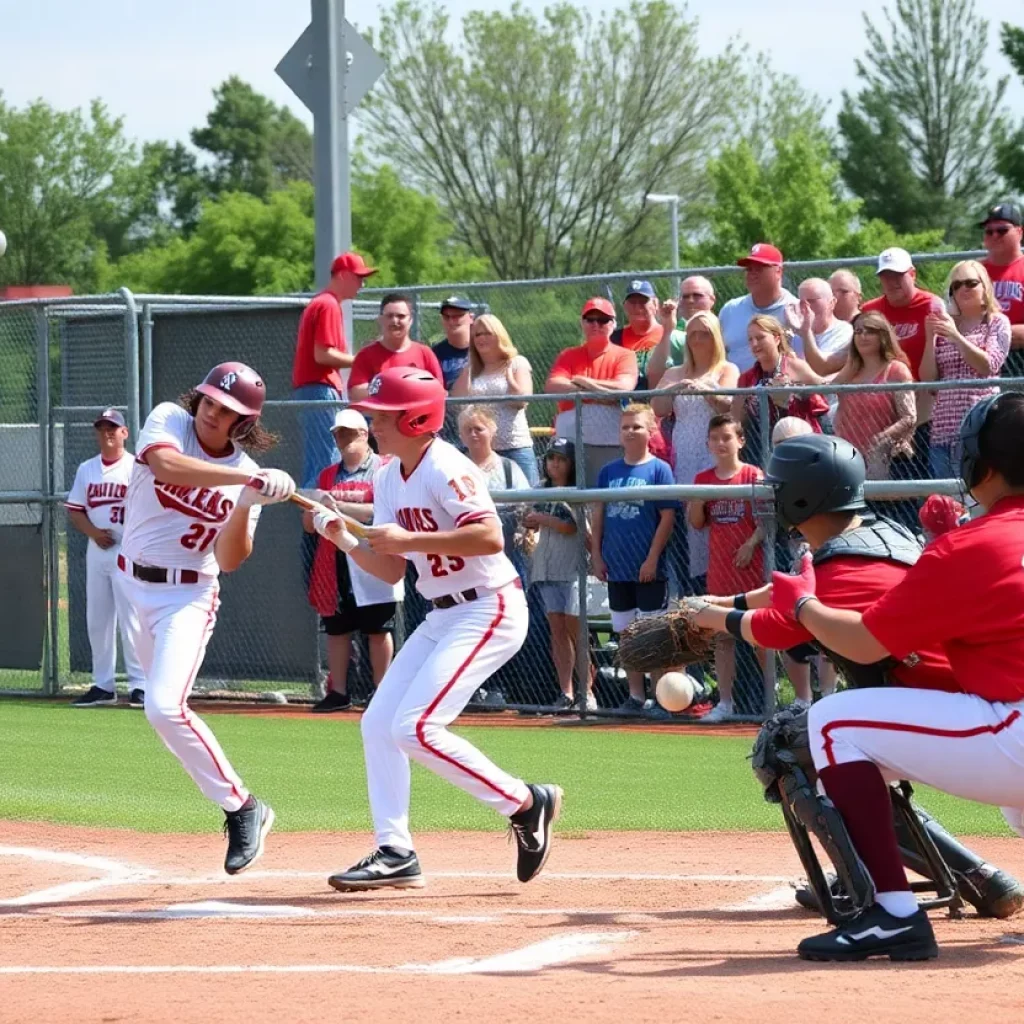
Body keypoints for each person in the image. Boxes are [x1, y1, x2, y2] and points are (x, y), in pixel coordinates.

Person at [688, 431, 1024, 941]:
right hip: (976, 706)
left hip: (985, 714)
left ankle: (891, 906)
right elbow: (793, 588)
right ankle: (979, 877)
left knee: (808, 736)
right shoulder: (880, 538)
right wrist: (719, 604)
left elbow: (790, 620)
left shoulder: (850, 563)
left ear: (799, 495)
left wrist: (709, 618)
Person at [313, 367, 562, 891]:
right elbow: (388, 569)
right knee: (379, 723)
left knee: (416, 728)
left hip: (489, 606)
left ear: (416, 417)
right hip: (443, 613)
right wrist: (344, 538)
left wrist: (405, 539)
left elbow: (491, 536)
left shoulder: (445, 465)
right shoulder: (386, 474)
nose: (374, 421)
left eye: (383, 414)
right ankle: (396, 850)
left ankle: (524, 802)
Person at [115, 362, 296, 874]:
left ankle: (243, 807)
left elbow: (232, 558)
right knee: (162, 713)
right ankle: (240, 805)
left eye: (227, 411)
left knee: (163, 707)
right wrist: (246, 476)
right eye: (210, 401)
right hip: (131, 586)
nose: (212, 413)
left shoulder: (243, 479)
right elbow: (167, 467)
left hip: (187, 598)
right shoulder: (170, 419)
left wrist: (246, 502)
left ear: (244, 423)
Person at [303, 409, 401, 713]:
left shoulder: (384, 469)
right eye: (337, 434)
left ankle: (382, 691)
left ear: (363, 434)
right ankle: (339, 692)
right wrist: (319, 511)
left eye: (348, 433)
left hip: (373, 554)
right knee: (337, 627)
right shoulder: (328, 474)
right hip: (335, 559)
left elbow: (380, 511)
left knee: (377, 627)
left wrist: (337, 507)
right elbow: (309, 521)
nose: (342, 439)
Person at [590, 404, 675, 714]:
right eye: (625, 426)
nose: (630, 431)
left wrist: (652, 558)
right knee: (626, 634)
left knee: (651, 632)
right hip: (617, 567)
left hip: (647, 567)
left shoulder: (659, 469)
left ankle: (658, 697)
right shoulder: (608, 471)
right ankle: (635, 696)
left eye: (637, 426)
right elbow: (598, 515)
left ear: (650, 431)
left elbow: (666, 518)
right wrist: (597, 554)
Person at [651, 311, 738, 596]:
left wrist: (705, 391)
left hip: (713, 450)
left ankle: (715, 584)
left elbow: (728, 406)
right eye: (692, 334)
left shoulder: (726, 369)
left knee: (713, 516)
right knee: (686, 520)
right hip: (684, 450)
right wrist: (676, 387)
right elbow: (659, 408)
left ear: (715, 337)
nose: (698, 339)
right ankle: (690, 592)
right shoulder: (675, 372)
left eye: (704, 333)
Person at [65, 408, 146, 708]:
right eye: (102, 427)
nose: (108, 432)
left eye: (113, 427)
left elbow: (151, 507)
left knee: (132, 619)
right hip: (97, 552)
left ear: (125, 433)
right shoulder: (87, 469)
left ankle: (140, 685)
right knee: (97, 620)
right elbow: (75, 509)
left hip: (129, 551)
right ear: (96, 433)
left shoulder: (137, 467)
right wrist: (94, 532)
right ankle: (103, 685)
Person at [689, 415, 764, 723]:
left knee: (760, 635)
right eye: (715, 437)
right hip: (719, 569)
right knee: (723, 637)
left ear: (740, 441)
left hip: (751, 571)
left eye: (727, 437)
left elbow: (765, 522)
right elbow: (697, 523)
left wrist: (750, 544)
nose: (721, 443)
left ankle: (770, 700)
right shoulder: (703, 479)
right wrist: (696, 499)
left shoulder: (752, 474)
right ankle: (726, 702)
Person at [292, 251, 377, 486]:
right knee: (326, 463)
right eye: (358, 277)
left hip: (313, 390)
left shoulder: (322, 302)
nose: (362, 284)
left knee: (318, 460)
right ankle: (315, 520)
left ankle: (313, 519)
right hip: (319, 389)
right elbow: (323, 354)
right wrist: (360, 360)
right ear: (342, 276)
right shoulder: (328, 304)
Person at [523, 438, 595, 711]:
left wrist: (541, 519)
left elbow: (571, 528)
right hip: (545, 567)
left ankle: (586, 693)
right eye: (552, 457)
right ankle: (565, 692)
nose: (555, 463)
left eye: (562, 459)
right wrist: (527, 522)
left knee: (577, 631)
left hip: (572, 568)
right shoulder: (539, 490)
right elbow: (527, 518)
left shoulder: (577, 491)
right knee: (557, 631)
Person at [921, 261, 1011, 479]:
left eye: (971, 283)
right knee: (949, 503)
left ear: (985, 287)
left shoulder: (996, 322)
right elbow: (928, 379)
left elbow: (988, 365)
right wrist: (930, 337)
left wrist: (956, 337)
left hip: (979, 429)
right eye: (956, 285)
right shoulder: (946, 325)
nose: (963, 289)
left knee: (976, 496)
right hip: (943, 430)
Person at [861, 248, 943, 480]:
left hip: (925, 405)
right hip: (884, 409)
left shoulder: (931, 305)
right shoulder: (870, 310)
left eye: (898, 275)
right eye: (886, 276)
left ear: (912, 274)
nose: (892, 282)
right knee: (890, 479)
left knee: (925, 476)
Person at [545, 297, 639, 485]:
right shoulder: (568, 355)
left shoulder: (625, 355)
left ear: (613, 324)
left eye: (603, 320)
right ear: (582, 323)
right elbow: (553, 386)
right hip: (569, 442)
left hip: (608, 440)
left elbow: (624, 387)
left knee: (605, 494)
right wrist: (603, 395)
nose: (596, 324)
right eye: (590, 319)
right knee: (572, 495)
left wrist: (583, 382)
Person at [831, 312, 916, 485]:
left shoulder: (896, 370)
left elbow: (909, 416)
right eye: (858, 331)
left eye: (870, 331)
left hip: (882, 457)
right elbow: (828, 390)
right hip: (847, 456)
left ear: (882, 335)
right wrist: (849, 365)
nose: (862, 336)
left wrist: (880, 439)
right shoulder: (851, 372)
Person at [451, 315, 537, 484]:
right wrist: (470, 366)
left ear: (499, 335)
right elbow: (458, 402)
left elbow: (522, 401)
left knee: (529, 504)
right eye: (477, 335)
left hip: (515, 446)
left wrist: (509, 379)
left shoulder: (517, 363)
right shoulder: (472, 370)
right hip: (482, 451)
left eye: (487, 333)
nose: (481, 338)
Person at [729, 315, 825, 467]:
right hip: (759, 448)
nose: (754, 344)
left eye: (760, 338)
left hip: (799, 444)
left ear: (777, 338)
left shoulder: (796, 367)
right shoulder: (746, 378)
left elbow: (823, 391)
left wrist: (796, 390)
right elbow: (736, 419)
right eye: (750, 339)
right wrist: (742, 401)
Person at [347, 294, 444, 403]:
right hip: (379, 417)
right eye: (389, 316)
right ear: (380, 319)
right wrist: (394, 391)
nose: (394, 321)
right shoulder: (366, 355)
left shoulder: (425, 353)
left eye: (401, 316)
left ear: (411, 320)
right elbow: (356, 392)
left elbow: (439, 390)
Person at [717, 244, 797, 373]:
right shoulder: (730, 310)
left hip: (780, 389)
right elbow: (718, 355)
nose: (752, 274)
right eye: (749, 269)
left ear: (778, 271)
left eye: (760, 268)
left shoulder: (796, 310)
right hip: (735, 389)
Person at [978, 202, 1024, 378]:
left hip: (1019, 358)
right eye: (989, 231)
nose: (994, 235)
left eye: (1002, 230)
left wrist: (996, 334)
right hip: (980, 357)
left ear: (1019, 232)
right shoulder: (973, 271)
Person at [647, 275, 715, 387]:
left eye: (697, 295)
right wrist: (667, 328)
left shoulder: (723, 327)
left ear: (712, 299)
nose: (690, 301)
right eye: (685, 297)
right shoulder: (676, 336)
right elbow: (654, 380)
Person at [787, 278, 854, 368]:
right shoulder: (795, 334)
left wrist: (806, 333)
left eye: (812, 301)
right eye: (802, 302)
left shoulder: (844, 331)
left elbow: (821, 367)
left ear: (832, 303)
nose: (806, 307)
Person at [611, 280, 664, 388]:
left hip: (661, 398)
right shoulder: (614, 339)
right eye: (632, 302)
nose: (637, 307)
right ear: (625, 306)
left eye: (643, 301)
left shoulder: (668, 335)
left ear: (655, 304)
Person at [432, 295, 475, 391]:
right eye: (446, 317)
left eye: (457, 316)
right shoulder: (435, 354)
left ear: (471, 317)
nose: (451, 321)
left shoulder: (482, 347)